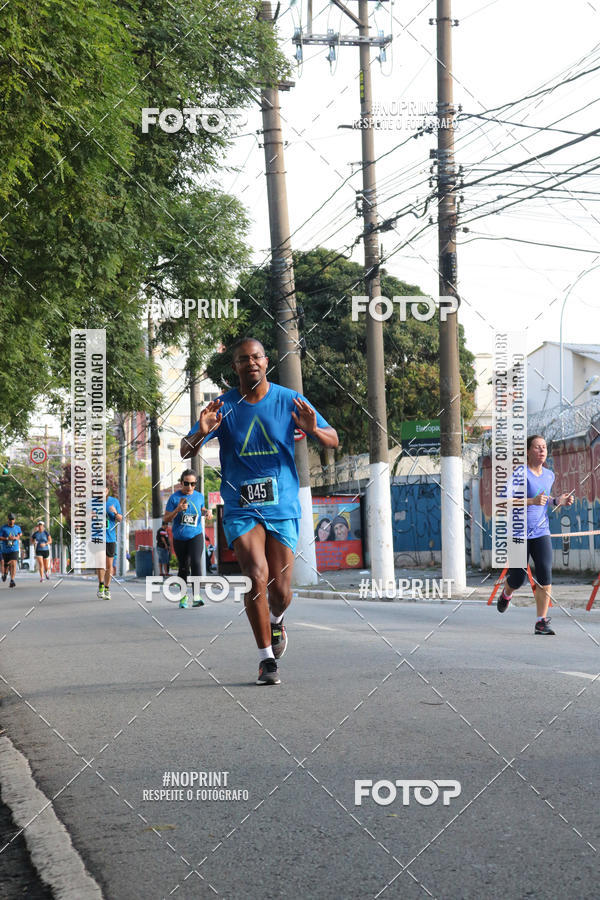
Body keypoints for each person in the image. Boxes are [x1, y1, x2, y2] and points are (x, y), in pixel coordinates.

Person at [181, 337, 339, 685]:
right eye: (242, 359)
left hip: (281, 504)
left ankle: (278, 619)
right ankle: (266, 660)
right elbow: (184, 449)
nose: (250, 363)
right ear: (234, 366)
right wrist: (201, 433)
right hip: (241, 506)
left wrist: (312, 429)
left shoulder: (288, 399)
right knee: (255, 574)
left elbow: (333, 437)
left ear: (266, 362)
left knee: (280, 591)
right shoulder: (221, 406)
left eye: (256, 357)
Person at [496, 435, 574, 635]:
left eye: (544, 447)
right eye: (537, 447)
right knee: (518, 578)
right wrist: (531, 501)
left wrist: (557, 501)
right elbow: (504, 500)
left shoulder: (549, 475)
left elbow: (544, 499)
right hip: (518, 533)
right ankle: (506, 593)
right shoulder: (520, 473)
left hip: (541, 532)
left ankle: (541, 621)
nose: (542, 451)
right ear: (528, 451)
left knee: (545, 574)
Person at [163, 469, 207, 608]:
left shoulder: (199, 496)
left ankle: (196, 595)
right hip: (180, 537)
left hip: (196, 535)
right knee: (183, 567)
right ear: (181, 483)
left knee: (195, 562)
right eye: (187, 483)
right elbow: (166, 518)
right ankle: (183, 596)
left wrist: (207, 512)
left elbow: (202, 509)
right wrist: (177, 509)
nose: (189, 487)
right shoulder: (174, 498)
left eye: (193, 484)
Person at [97, 487, 123, 599]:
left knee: (109, 565)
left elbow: (120, 519)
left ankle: (107, 588)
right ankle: (101, 585)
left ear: (107, 490)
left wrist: (115, 512)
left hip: (110, 538)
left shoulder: (114, 502)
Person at [0, 513, 22, 588]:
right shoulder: (3, 528)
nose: (11, 521)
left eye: (13, 519)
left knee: (13, 563)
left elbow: (19, 534)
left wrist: (16, 538)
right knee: (6, 565)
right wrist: (7, 538)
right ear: (8, 520)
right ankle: (5, 574)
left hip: (14, 549)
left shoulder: (17, 527)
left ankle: (12, 580)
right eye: (10, 520)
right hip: (5, 550)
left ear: (14, 520)